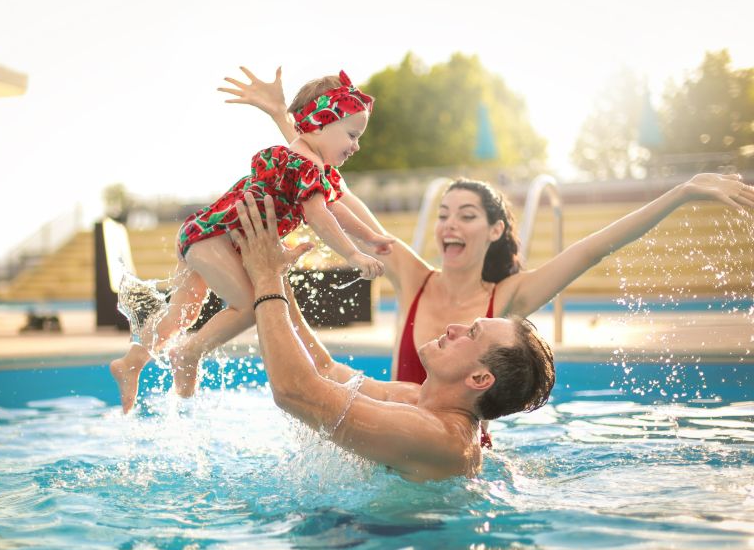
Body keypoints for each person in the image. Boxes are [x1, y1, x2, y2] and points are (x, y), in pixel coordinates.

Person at [217, 66, 754, 446]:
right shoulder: (414, 278)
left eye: (467, 215)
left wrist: (681, 193)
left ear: (496, 229)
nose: (449, 223)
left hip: (425, 443)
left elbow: (596, 247)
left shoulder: (509, 300)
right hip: (398, 424)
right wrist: (283, 121)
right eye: (445, 212)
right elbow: (331, 187)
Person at [111, 69, 394, 412]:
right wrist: (353, 255)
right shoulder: (303, 165)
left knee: (183, 314)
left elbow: (335, 207)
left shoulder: (309, 165)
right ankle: (188, 353)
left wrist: (371, 237)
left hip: (202, 234)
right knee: (249, 307)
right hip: (215, 238)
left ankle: (132, 362)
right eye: (351, 134)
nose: (356, 145)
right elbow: (321, 218)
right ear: (320, 125)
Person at [231, 192, 555, 482]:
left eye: (471, 333)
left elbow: (295, 392)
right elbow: (325, 371)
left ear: (480, 377)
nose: (454, 328)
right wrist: (277, 274)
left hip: (389, 541)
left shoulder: (437, 437)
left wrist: (266, 278)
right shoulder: (416, 399)